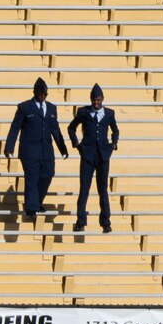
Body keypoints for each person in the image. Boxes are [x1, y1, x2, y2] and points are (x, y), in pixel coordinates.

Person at [4, 77, 68, 223]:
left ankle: (37, 202)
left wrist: (62, 148)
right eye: (40, 94)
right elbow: (15, 128)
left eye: (45, 94)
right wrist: (9, 147)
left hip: (47, 151)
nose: (43, 96)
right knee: (32, 179)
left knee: (47, 175)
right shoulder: (24, 107)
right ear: (35, 93)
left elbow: (55, 130)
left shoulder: (52, 108)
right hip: (29, 151)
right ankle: (31, 209)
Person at [67, 83, 118, 234]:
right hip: (87, 154)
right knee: (84, 189)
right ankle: (80, 221)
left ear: (102, 99)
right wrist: (76, 143)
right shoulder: (83, 112)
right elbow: (71, 128)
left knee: (103, 189)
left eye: (98, 100)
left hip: (103, 155)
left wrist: (113, 144)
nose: (96, 103)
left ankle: (106, 222)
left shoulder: (109, 113)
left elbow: (115, 129)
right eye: (94, 100)